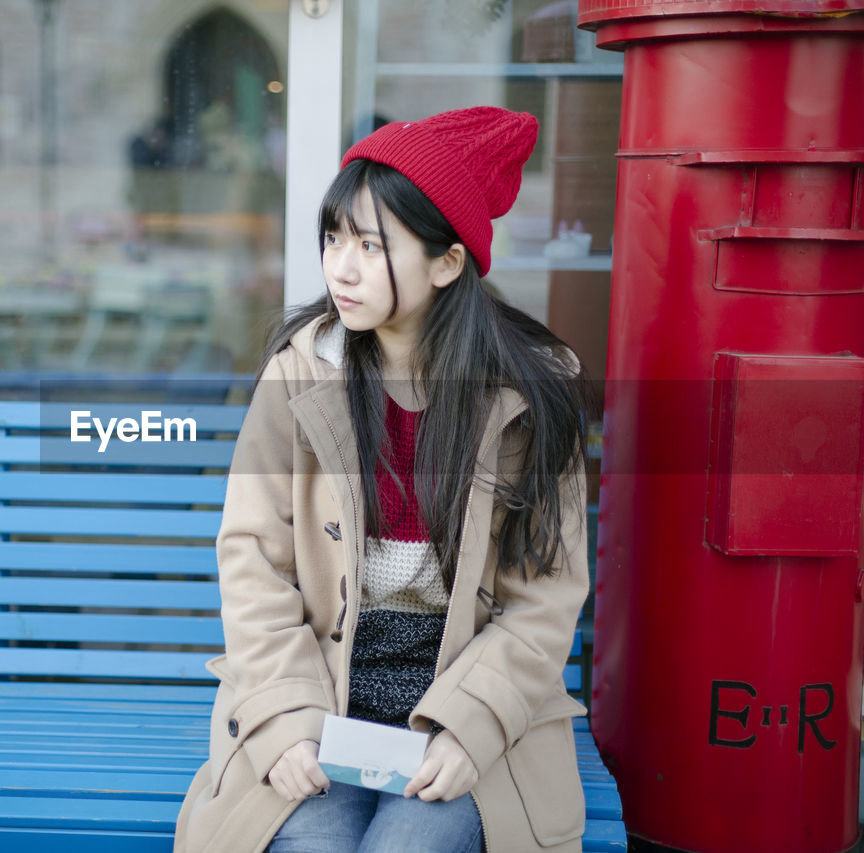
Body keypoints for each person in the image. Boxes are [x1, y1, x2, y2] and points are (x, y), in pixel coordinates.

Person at [174, 107, 592, 853]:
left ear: (447, 263)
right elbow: (253, 561)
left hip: (455, 711)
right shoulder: (300, 373)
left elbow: (545, 597)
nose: (341, 266)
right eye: (335, 237)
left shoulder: (530, 399)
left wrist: (474, 725)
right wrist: (282, 715)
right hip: (320, 697)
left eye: (373, 244)